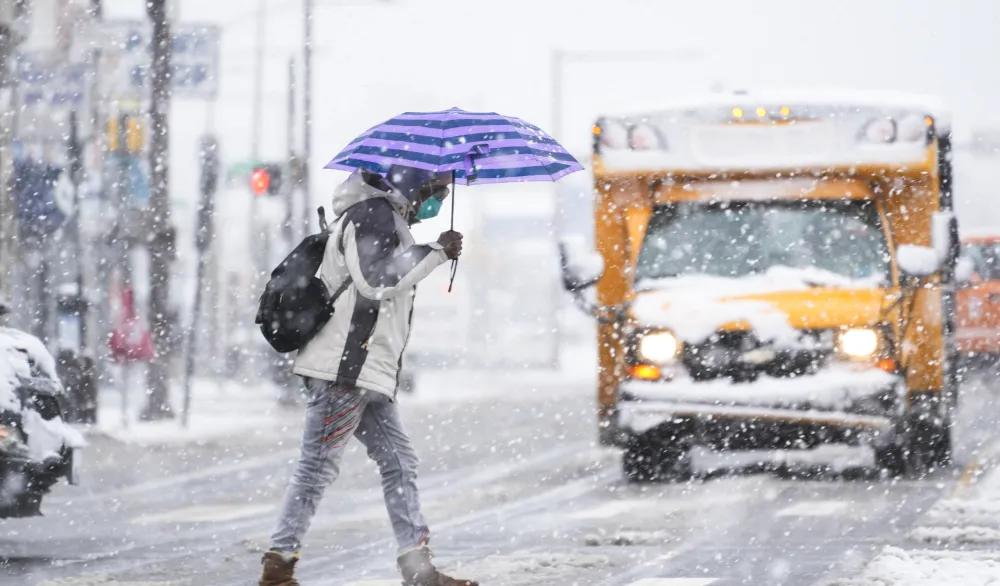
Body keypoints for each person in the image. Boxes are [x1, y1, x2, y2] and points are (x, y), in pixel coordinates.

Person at [258, 165, 478, 586]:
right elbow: (376, 281)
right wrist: (435, 251)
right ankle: (277, 566)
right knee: (317, 467)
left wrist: (428, 247)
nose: (440, 200)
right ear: (414, 180)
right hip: (346, 370)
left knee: (399, 462)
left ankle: (419, 569)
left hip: (366, 370)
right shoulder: (372, 214)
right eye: (437, 188)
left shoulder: (387, 217)